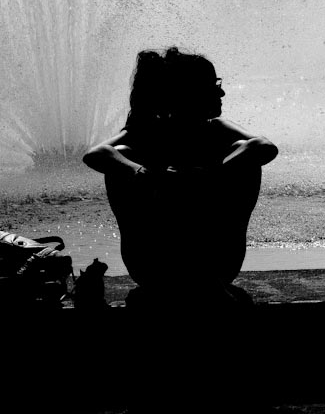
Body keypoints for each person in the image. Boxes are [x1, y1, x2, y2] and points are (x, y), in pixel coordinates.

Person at [84, 47, 278, 307]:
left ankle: (202, 277)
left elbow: (264, 146)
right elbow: (96, 154)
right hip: (154, 265)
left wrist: (206, 176)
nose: (221, 92)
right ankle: (198, 281)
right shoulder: (147, 130)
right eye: (212, 85)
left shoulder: (217, 128)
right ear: (188, 92)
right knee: (120, 157)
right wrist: (146, 175)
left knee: (247, 157)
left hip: (219, 263)